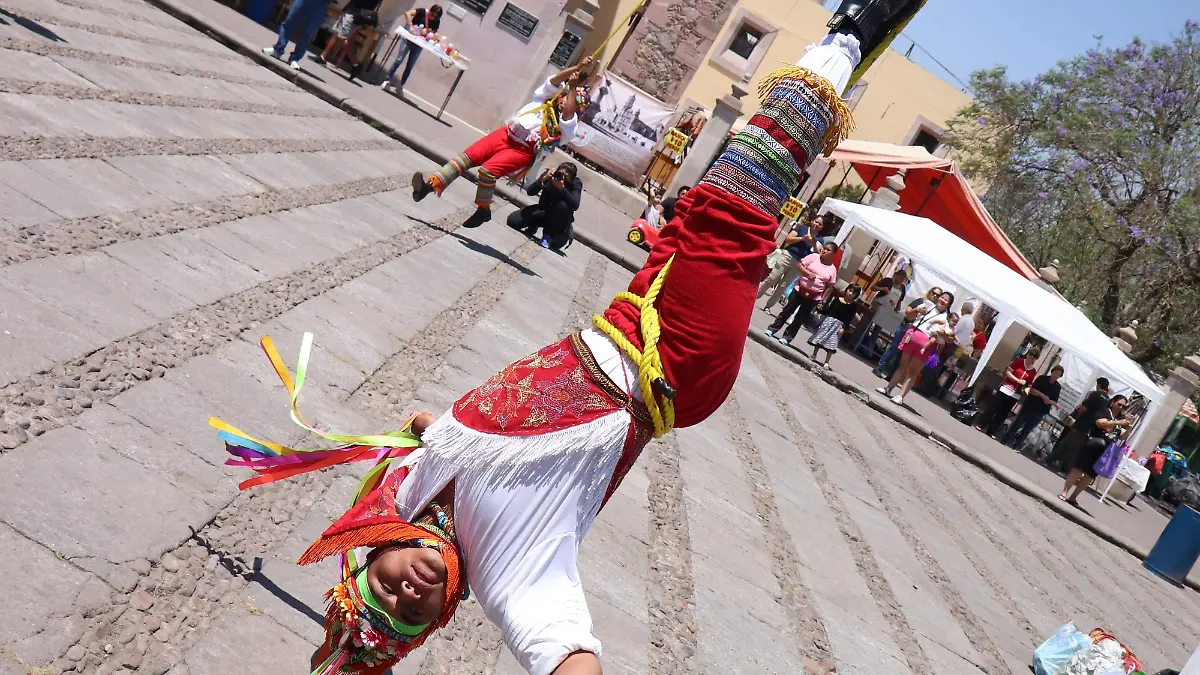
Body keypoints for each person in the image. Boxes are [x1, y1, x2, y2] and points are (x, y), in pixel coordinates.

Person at [217, 4, 925, 672]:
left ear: (373, 554)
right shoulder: (512, 580)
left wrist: (438, 430)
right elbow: (559, 651)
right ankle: (851, 32)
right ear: (437, 617)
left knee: (709, 196)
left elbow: (449, 439)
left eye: (388, 587)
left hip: (629, 313)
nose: (409, 592)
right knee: (739, 192)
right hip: (670, 360)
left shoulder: (411, 490)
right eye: (412, 613)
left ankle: (848, 44)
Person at [411, 56, 595, 229]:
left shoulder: (567, 128)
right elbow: (554, 80)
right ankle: (428, 187)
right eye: (566, 97)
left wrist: (572, 88)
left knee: (487, 171)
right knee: (464, 160)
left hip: (522, 151)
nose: (565, 102)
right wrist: (577, 68)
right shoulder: (544, 99)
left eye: (572, 101)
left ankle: (483, 209)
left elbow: (568, 113)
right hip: (504, 134)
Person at [876, 290, 953, 406]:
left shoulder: (946, 319)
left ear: (949, 305)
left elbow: (949, 339)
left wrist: (944, 334)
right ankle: (888, 389)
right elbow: (909, 315)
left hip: (926, 344)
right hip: (912, 336)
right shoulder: (927, 305)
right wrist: (917, 310)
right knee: (902, 365)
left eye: (946, 300)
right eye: (942, 297)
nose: (942, 300)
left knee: (912, 371)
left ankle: (900, 396)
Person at [1058, 394, 1132, 505]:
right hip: (1091, 444)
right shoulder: (1105, 411)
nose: (1120, 407)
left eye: (1123, 406)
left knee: (1089, 476)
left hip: (1104, 451)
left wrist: (1128, 429)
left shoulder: (1120, 419)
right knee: (1078, 469)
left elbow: (1121, 436)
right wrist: (1117, 423)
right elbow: (1100, 423)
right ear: (1113, 402)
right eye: (1119, 404)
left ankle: (1073, 497)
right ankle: (1065, 491)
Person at [763, 241, 841, 346]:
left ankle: (787, 337)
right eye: (824, 248)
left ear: (833, 254)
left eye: (828, 250)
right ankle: (773, 328)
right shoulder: (814, 257)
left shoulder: (832, 270)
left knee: (800, 318)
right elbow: (799, 265)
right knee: (787, 311)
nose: (824, 251)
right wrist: (808, 273)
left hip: (814, 296)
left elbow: (829, 287)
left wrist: (823, 299)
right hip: (799, 289)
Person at [507, 162, 582, 251]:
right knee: (512, 221)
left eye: (565, 177)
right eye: (560, 174)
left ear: (571, 179)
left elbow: (575, 205)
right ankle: (533, 225)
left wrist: (562, 188)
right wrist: (544, 179)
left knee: (555, 244)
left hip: (559, 220)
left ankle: (549, 236)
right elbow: (530, 192)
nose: (561, 178)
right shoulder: (551, 175)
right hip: (543, 210)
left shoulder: (576, 183)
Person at [759, 215, 825, 311]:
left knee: (783, 286)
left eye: (820, 224)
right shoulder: (801, 228)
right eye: (816, 221)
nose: (817, 225)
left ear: (822, 227)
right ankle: (755, 296)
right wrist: (802, 239)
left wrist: (814, 244)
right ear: (812, 221)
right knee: (772, 278)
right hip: (788, 256)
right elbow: (788, 239)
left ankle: (768, 306)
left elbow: (817, 255)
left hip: (799, 265)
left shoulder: (820, 240)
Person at [1046, 377, 1111, 471]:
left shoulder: (1095, 394)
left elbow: (1084, 408)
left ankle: (1056, 463)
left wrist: (1078, 412)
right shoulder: (1107, 400)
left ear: (1099, 385)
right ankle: (1055, 462)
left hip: (1082, 424)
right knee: (1075, 447)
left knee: (1067, 444)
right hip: (1092, 428)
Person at [975, 347, 1041, 438]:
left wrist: (1027, 389)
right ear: (1028, 354)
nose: (1032, 358)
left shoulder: (1033, 371)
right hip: (1006, 388)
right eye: (1031, 355)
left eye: (1035, 357)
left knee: (1003, 413)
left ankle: (992, 431)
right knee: (993, 407)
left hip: (1015, 394)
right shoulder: (1019, 361)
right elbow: (1008, 372)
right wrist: (1017, 380)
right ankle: (982, 424)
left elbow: (1029, 383)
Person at [379, 5, 443, 95]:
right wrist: (410, 26)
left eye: (436, 16)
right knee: (399, 59)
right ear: (430, 11)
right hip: (408, 39)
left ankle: (401, 85)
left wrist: (429, 32)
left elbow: (434, 32)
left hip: (419, 44)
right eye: (432, 15)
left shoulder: (436, 21)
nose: (433, 17)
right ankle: (387, 80)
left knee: (410, 65)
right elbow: (408, 13)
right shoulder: (422, 12)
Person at [316, 0, 381, 80]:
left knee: (343, 39)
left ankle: (355, 65)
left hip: (354, 14)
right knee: (337, 33)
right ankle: (323, 57)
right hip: (351, 11)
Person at [262, 0, 336, 71]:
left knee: (308, 33)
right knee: (289, 22)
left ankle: (294, 59)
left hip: (321, 3)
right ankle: (277, 50)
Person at [1001, 364, 1063, 449]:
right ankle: (1006, 439)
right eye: (1055, 373)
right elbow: (1032, 390)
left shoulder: (1057, 387)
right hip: (1030, 405)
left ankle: (1017, 444)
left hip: (1041, 410)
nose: (1056, 376)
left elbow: (1054, 400)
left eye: (1059, 375)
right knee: (1018, 423)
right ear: (1052, 372)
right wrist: (1042, 395)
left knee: (1028, 428)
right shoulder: (1042, 378)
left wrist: (1052, 402)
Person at [808, 284, 860, 366]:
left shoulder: (853, 306)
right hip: (829, 321)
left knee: (832, 343)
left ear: (856, 295)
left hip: (839, 326)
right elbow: (829, 310)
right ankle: (814, 354)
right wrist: (820, 310)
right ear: (846, 290)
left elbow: (849, 319)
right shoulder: (837, 299)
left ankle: (826, 362)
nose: (850, 293)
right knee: (820, 337)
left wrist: (844, 328)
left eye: (853, 293)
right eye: (850, 290)